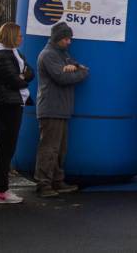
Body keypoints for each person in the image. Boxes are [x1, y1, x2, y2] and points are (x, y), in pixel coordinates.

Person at [35, 22, 88, 198]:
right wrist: (78, 72)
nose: (69, 41)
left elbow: (77, 68)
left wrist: (75, 70)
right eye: (66, 38)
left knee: (59, 148)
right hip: (51, 108)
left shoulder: (61, 54)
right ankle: (44, 183)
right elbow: (62, 77)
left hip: (61, 108)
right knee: (49, 148)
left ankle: (57, 180)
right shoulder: (49, 55)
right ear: (58, 38)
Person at [0, 22, 33, 204]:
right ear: (11, 36)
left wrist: (23, 76)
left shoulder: (15, 54)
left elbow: (31, 73)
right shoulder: (1, 56)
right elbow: (17, 81)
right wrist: (22, 77)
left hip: (15, 103)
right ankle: (0, 189)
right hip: (7, 104)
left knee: (8, 147)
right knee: (6, 148)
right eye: (19, 35)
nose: (21, 38)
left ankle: (1, 188)